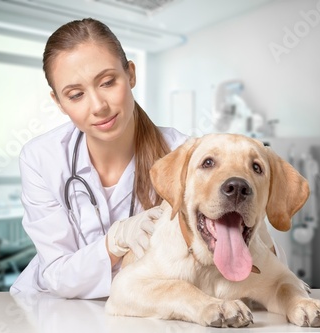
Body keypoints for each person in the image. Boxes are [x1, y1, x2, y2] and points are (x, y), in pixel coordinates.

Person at [10, 18, 188, 298]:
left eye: (107, 82)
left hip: (145, 306)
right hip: (51, 305)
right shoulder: (42, 158)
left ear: (130, 74)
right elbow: (57, 274)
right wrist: (114, 242)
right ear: (58, 102)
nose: (98, 106)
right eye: (76, 94)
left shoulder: (183, 154)